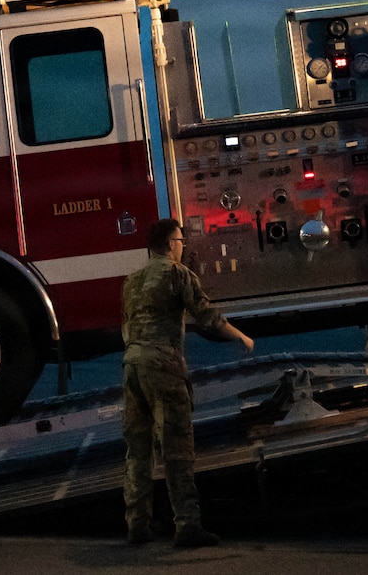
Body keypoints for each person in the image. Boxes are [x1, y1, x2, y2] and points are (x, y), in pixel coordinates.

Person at [121, 216, 254, 548]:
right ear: (169, 244)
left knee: (138, 451)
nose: (183, 247)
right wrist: (241, 336)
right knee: (177, 447)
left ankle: (137, 524)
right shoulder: (177, 274)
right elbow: (207, 317)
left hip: (132, 364)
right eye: (181, 241)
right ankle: (188, 525)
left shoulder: (131, 280)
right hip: (163, 364)